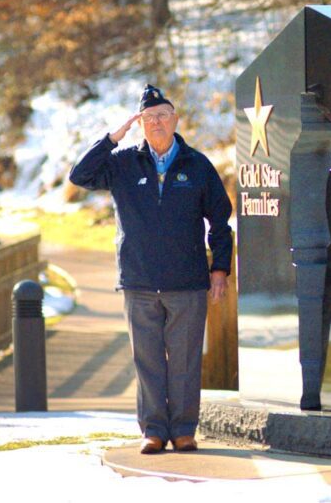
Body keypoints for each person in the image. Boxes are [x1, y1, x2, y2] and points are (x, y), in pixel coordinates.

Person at [69, 84, 233, 454]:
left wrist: (220, 268)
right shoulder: (122, 163)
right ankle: (154, 431)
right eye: (148, 117)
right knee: (148, 363)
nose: (156, 122)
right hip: (139, 282)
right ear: (139, 123)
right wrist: (112, 138)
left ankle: (185, 430)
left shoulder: (198, 165)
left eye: (163, 115)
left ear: (175, 120)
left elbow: (221, 220)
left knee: (186, 362)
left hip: (187, 283)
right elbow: (79, 175)